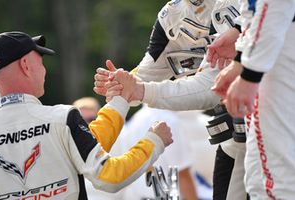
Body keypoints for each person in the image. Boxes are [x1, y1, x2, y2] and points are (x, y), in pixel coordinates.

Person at [94, 0, 248, 199]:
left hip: (273, 115)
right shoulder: (171, 15)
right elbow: (147, 72)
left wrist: (138, 90)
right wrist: (120, 85)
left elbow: (210, 88)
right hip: (234, 130)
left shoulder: (238, 4)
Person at [0, 31, 173, 199]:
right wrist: (154, 141)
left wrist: (120, 100)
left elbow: (84, 145)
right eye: (40, 62)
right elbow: (109, 177)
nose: (44, 70)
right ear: (25, 66)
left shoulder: (59, 121)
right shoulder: (61, 118)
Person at [211, 0, 295, 199]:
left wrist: (250, 73)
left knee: (277, 174)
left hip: (278, 46)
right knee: (260, 174)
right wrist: (241, 55)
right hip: (271, 44)